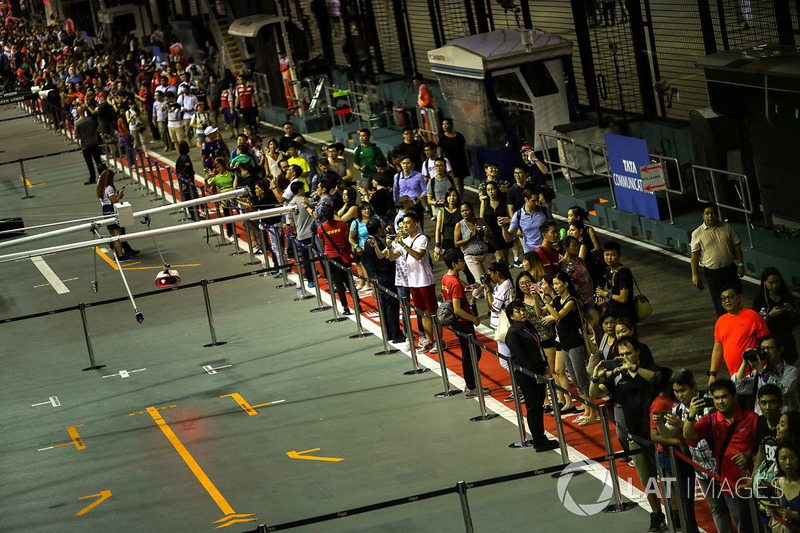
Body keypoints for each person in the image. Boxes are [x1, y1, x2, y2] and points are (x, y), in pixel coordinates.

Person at [590, 336, 666, 532]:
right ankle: (657, 515)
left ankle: (676, 513)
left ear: (638, 352)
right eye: (621, 354)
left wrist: (634, 369)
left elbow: (660, 380)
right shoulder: (617, 377)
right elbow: (595, 392)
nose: (625, 357)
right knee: (648, 481)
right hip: (636, 439)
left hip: (660, 437)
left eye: (628, 353)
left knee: (668, 481)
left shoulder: (651, 370)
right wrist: (596, 376)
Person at [683, 379, 758, 533]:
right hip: (730, 486)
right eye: (716, 398)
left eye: (724, 397)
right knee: (743, 526)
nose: (720, 402)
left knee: (763, 524)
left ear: (734, 396)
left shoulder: (751, 418)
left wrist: (750, 454)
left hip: (757, 483)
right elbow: (688, 435)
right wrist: (691, 415)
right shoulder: (710, 421)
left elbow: (763, 446)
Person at [541, 272, 599, 424]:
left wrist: (547, 302)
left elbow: (558, 316)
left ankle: (593, 412)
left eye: (557, 283)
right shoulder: (557, 299)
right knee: (574, 377)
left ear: (566, 284)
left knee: (582, 377)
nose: (555, 286)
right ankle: (587, 409)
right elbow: (540, 313)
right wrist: (538, 298)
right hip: (564, 343)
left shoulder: (571, 300)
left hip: (575, 342)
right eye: (553, 284)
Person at [504, 301, 560, 452]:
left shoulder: (528, 325)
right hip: (527, 375)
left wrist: (545, 366)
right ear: (511, 315)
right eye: (518, 311)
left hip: (538, 371)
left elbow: (538, 347)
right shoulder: (513, 333)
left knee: (538, 405)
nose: (522, 313)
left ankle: (541, 437)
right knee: (533, 407)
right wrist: (534, 374)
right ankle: (539, 441)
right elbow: (520, 357)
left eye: (523, 310)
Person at [387, 212, 437, 353]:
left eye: (409, 222)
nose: (406, 225)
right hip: (413, 283)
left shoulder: (422, 238)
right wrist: (390, 246)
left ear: (416, 224)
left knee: (433, 313)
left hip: (425, 281)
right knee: (423, 313)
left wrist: (402, 243)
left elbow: (418, 255)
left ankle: (440, 341)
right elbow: (392, 258)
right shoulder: (406, 240)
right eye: (405, 223)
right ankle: (430, 341)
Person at [515, 270, 562, 410]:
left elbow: (546, 311)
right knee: (540, 372)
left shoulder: (542, 296)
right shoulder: (518, 303)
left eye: (528, 282)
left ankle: (561, 399)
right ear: (518, 286)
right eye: (522, 283)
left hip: (548, 336)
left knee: (553, 369)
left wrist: (539, 297)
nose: (525, 285)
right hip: (532, 340)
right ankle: (546, 401)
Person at [709, 284, 770, 386]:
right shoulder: (720, 321)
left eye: (730, 297)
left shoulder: (753, 316)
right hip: (736, 376)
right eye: (723, 299)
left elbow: (767, 343)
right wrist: (712, 374)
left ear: (739, 297)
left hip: (755, 372)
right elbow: (717, 349)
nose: (727, 300)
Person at [441, 248, 484, 396]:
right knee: (472, 353)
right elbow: (457, 309)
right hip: (463, 321)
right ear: (454, 263)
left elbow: (451, 296)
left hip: (456, 322)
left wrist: (464, 290)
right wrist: (474, 319)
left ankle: (471, 384)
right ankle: (471, 386)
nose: (463, 263)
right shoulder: (455, 283)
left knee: (468, 352)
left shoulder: (446, 278)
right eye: (460, 261)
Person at [690, 203, 745, 317]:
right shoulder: (697, 233)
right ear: (703, 216)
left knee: (735, 296)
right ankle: (724, 323)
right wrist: (695, 274)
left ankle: (740, 319)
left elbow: (736, 246)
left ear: (717, 214)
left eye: (713, 213)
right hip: (713, 273)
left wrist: (740, 264)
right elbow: (694, 256)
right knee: (719, 300)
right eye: (707, 213)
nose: (710, 216)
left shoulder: (727, 227)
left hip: (729, 269)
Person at [733, 335, 799, 414]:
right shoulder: (758, 372)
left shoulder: (791, 371)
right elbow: (738, 388)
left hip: (784, 419)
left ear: (780, 349)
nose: (766, 351)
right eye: (763, 349)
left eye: (769, 348)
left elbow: (780, 391)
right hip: (763, 420)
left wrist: (763, 372)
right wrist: (744, 363)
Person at [364, 219, 404, 343]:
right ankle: (396, 332)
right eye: (381, 227)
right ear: (378, 229)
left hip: (379, 276)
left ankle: (389, 332)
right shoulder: (377, 244)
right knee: (391, 305)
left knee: (385, 305)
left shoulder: (368, 242)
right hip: (386, 276)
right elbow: (385, 259)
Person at [454, 201, 494, 316]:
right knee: (481, 281)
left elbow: (491, 234)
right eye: (462, 211)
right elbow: (457, 243)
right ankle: (472, 301)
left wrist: (484, 231)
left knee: (488, 282)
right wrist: (469, 238)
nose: (465, 213)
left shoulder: (480, 221)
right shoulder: (460, 225)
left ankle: (490, 308)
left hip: (484, 254)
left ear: (471, 210)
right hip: (471, 257)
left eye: (466, 210)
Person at [754, 267, 799, 364]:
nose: (774, 285)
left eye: (777, 282)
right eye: (771, 283)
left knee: (790, 365)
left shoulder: (787, 297)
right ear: (765, 283)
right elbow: (757, 325)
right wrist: (769, 315)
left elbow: (796, 322)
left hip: (787, 339)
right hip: (770, 340)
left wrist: (792, 311)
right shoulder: (759, 301)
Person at [316, 203, 355, 315]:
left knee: (339, 284)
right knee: (349, 281)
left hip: (331, 258)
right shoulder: (342, 225)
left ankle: (345, 307)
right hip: (343, 256)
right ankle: (358, 304)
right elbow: (345, 239)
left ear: (323, 215)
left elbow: (323, 245)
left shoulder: (321, 228)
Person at [500, 186, 554, 253]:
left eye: (537, 200)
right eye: (533, 201)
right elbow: (508, 238)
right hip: (530, 254)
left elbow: (553, 230)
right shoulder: (518, 215)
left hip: (546, 251)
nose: (537, 203)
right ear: (526, 200)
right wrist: (503, 228)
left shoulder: (545, 211)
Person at [595, 240, 636, 320]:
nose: (609, 258)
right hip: (614, 311)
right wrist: (605, 305)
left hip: (624, 315)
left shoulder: (623, 273)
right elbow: (614, 295)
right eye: (606, 255)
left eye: (612, 255)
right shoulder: (608, 271)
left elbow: (623, 299)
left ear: (619, 256)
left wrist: (606, 294)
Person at [95, 169, 130, 261]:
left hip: (105, 209)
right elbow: (114, 200)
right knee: (117, 234)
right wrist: (119, 194)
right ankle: (121, 255)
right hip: (111, 208)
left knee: (112, 234)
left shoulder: (100, 187)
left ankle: (116, 255)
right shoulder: (109, 188)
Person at [286, 181, 315, 287]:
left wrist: (296, 233)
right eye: (303, 189)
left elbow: (291, 223)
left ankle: (310, 280)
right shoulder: (309, 201)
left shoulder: (290, 205)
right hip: (312, 234)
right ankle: (326, 277)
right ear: (299, 190)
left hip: (301, 236)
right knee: (321, 256)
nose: (305, 190)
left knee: (306, 259)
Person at [767, 443, 800, 533]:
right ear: (778, 461)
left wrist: (794, 515)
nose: (788, 462)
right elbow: (782, 511)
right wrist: (775, 512)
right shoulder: (779, 483)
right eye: (783, 458)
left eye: (792, 457)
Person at [481, 181, 511, 263]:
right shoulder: (485, 202)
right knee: (500, 259)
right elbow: (481, 219)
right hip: (492, 234)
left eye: (492, 189)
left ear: (496, 189)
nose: (490, 192)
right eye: (488, 190)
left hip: (503, 232)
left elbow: (510, 217)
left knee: (505, 260)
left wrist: (503, 221)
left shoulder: (504, 201)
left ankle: (506, 275)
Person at [438, 118, 469, 194]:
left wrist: (467, 160)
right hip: (450, 162)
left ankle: (461, 197)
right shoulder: (442, 138)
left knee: (460, 181)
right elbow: (440, 152)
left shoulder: (459, 136)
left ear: (451, 125)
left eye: (446, 124)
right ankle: (456, 197)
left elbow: (465, 149)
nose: (444, 126)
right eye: (443, 124)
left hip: (460, 161)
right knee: (455, 181)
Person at [393, 155, 426, 224]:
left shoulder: (418, 176)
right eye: (404, 163)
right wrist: (397, 205)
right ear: (401, 164)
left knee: (418, 225)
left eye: (408, 163)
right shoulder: (397, 176)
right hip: (403, 205)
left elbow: (425, 190)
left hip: (415, 203)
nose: (405, 165)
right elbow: (395, 191)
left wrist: (419, 198)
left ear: (412, 164)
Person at [74, 105, 102, 185]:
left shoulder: (78, 122)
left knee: (89, 162)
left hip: (85, 144)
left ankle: (92, 177)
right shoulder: (90, 120)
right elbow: (95, 129)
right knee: (98, 160)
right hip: (94, 142)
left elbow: (76, 135)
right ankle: (101, 175)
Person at [175, 141, 199, 221]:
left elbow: (177, 171)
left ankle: (193, 215)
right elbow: (187, 169)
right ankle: (196, 215)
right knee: (194, 197)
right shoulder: (186, 158)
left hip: (182, 181)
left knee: (187, 198)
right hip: (188, 181)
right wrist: (188, 177)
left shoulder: (179, 158)